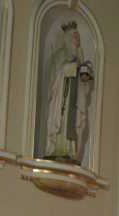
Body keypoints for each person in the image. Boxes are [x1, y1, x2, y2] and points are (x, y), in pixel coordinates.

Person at [44, 20, 94, 164]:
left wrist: (85, 79)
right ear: (67, 38)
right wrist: (68, 69)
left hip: (74, 101)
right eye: (75, 37)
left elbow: (84, 88)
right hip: (61, 100)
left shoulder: (80, 59)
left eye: (78, 37)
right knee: (61, 122)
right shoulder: (58, 56)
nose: (77, 40)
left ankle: (71, 151)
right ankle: (56, 150)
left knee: (73, 123)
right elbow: (54, 78)